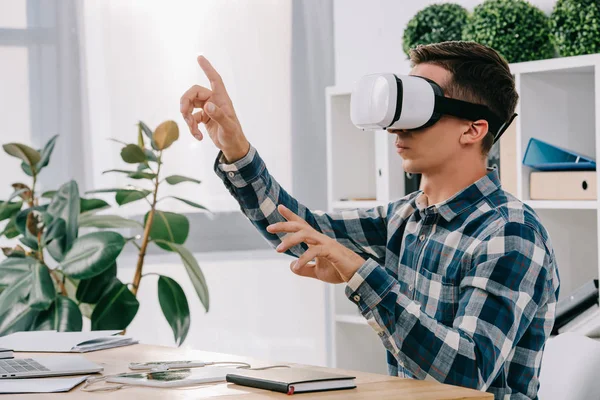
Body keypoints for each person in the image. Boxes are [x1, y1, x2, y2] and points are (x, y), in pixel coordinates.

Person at [180, 41, 560, 399]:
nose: (395, 127)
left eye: (420, 109)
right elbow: (299, 231)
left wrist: (360, 273)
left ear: (473, 129)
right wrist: (234, 144)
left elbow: (465, 374)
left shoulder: (509, 234)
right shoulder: (405, 217)